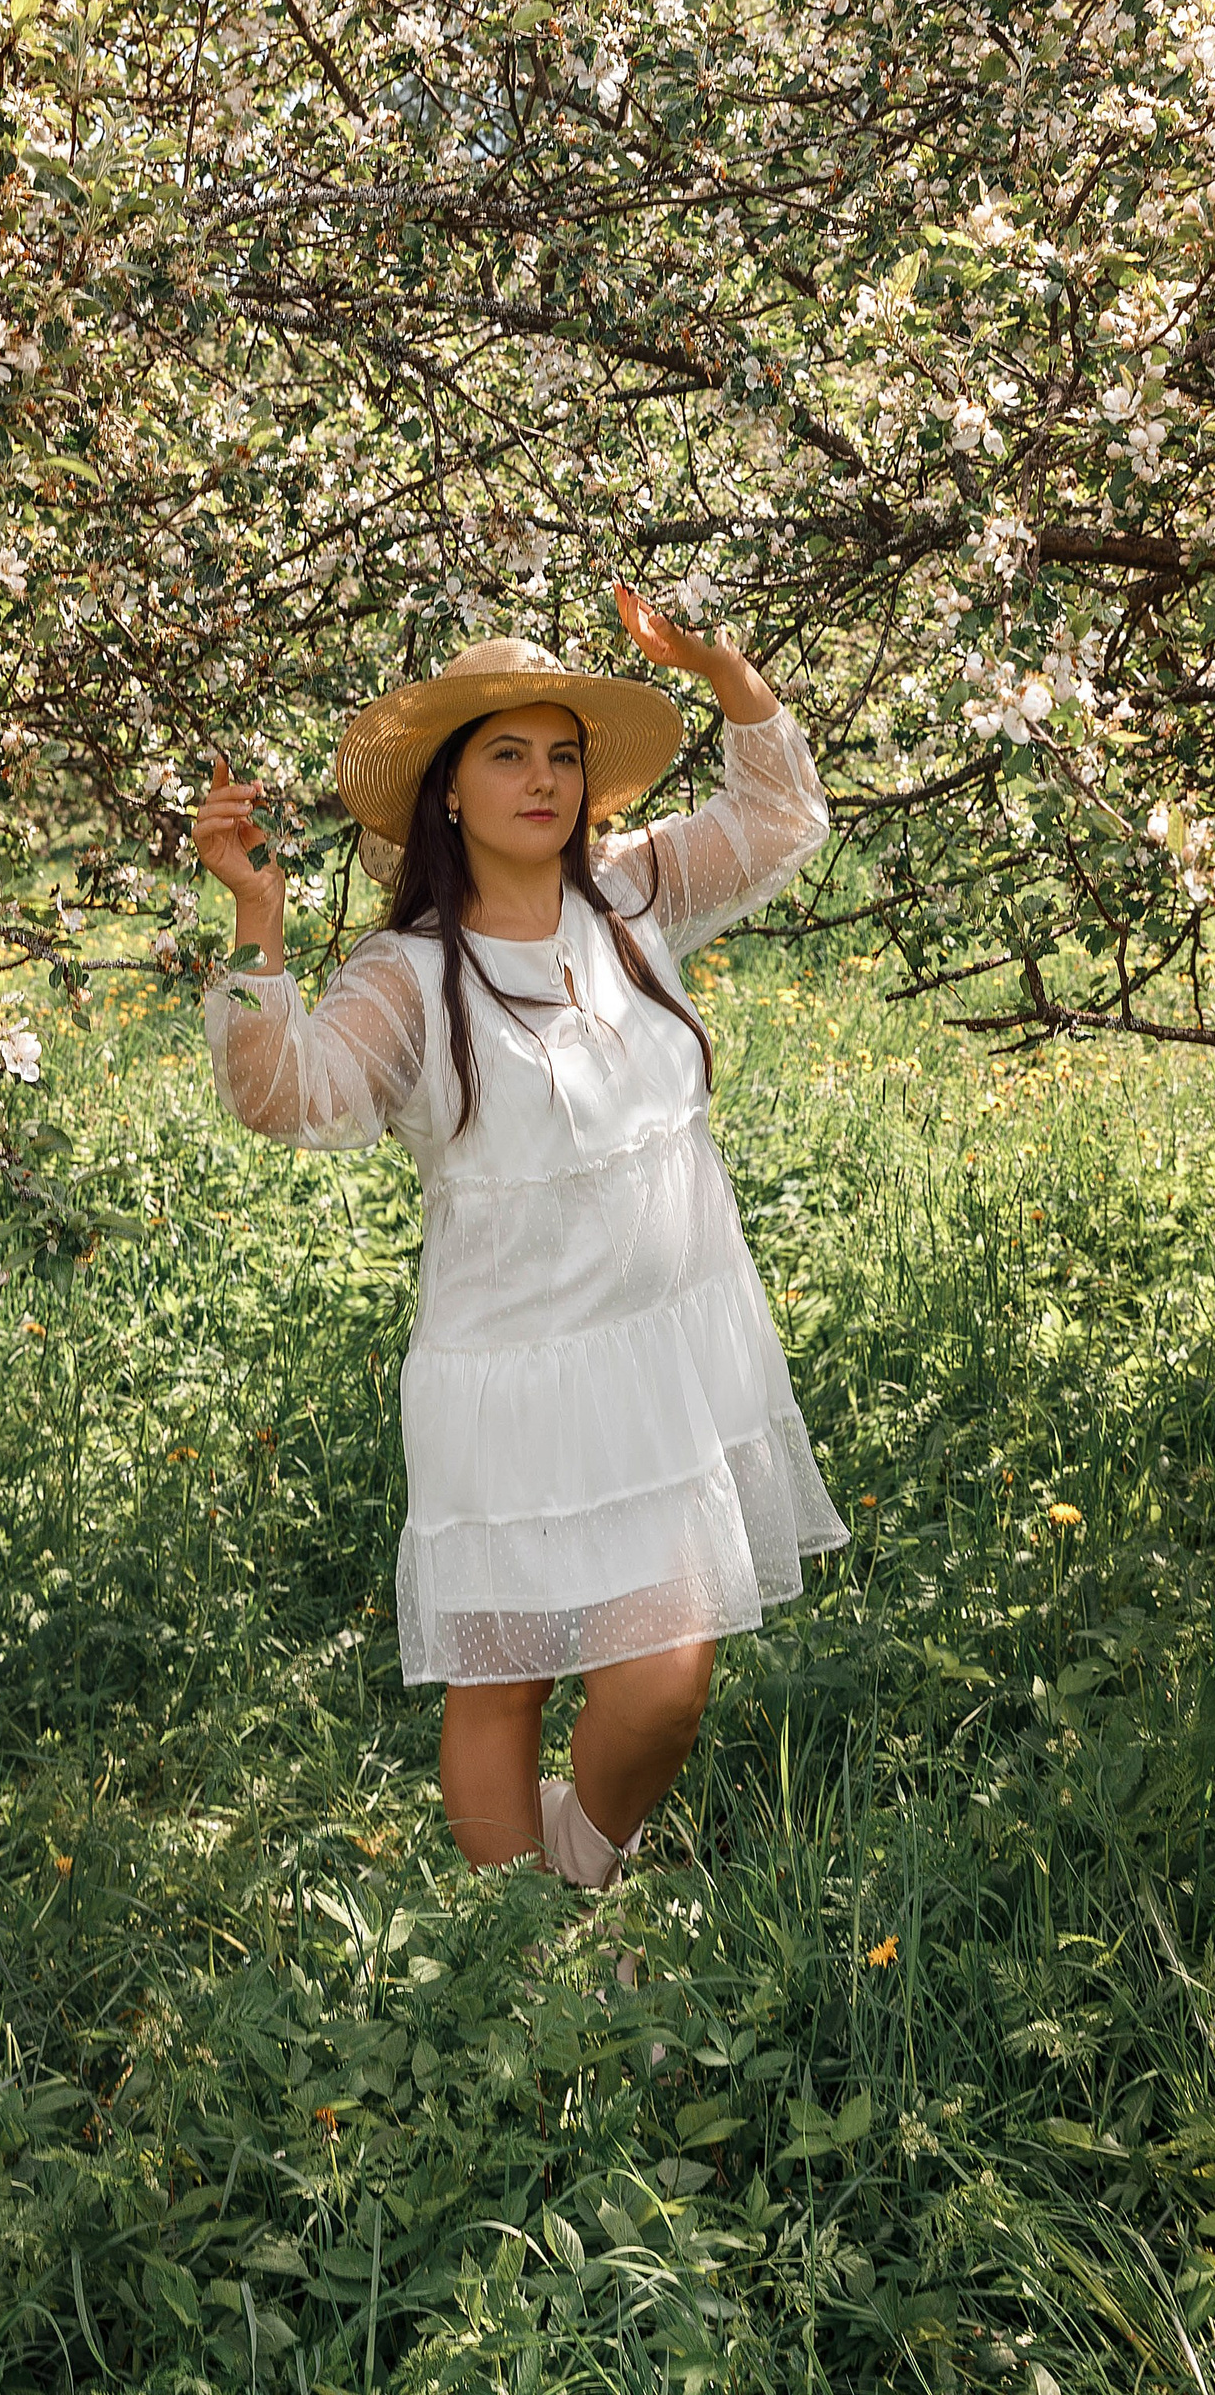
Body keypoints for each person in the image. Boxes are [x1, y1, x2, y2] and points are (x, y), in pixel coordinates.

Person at [192, 583, 846, 1888]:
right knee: (504, 1688)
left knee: (663, 1683)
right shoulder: (410, 976)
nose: (543, 779)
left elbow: (782, 818)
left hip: (658, 1364)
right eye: (508, 754)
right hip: (505, 1378)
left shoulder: (634, 891)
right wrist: (257, 924)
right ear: (448, 790)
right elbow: (286, 1095)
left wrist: (721, 665)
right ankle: (518, 1956)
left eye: (562, 755)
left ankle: (586, 1859)